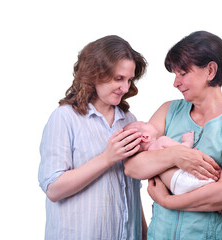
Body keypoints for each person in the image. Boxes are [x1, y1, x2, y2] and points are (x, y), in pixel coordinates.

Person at [124, 31, 222, 239]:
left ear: (210, 71)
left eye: (183, 73)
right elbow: (133, 166)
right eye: (175, 74)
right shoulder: (168, 110)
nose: (175, 83)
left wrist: (167, 201)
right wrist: (176, 156)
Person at [38, 35, 148, 240]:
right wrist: (107, 158)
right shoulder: (64, 118)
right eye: (118, 78)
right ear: (95, 74)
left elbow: (132, 191)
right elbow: (53, 189)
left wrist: (144, 235)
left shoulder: (129, 120)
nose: (125, 88)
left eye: (129, 80)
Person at [124, 121, 222, 226]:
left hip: (175, 188)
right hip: (184, 178)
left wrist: (165, 199)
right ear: (145, 137)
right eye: (146, 123)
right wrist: (188, 140)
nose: (149, 123)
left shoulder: (147, 158)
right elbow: (183, 150)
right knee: (215, 185)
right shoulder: (161, 141)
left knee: (209, 194)